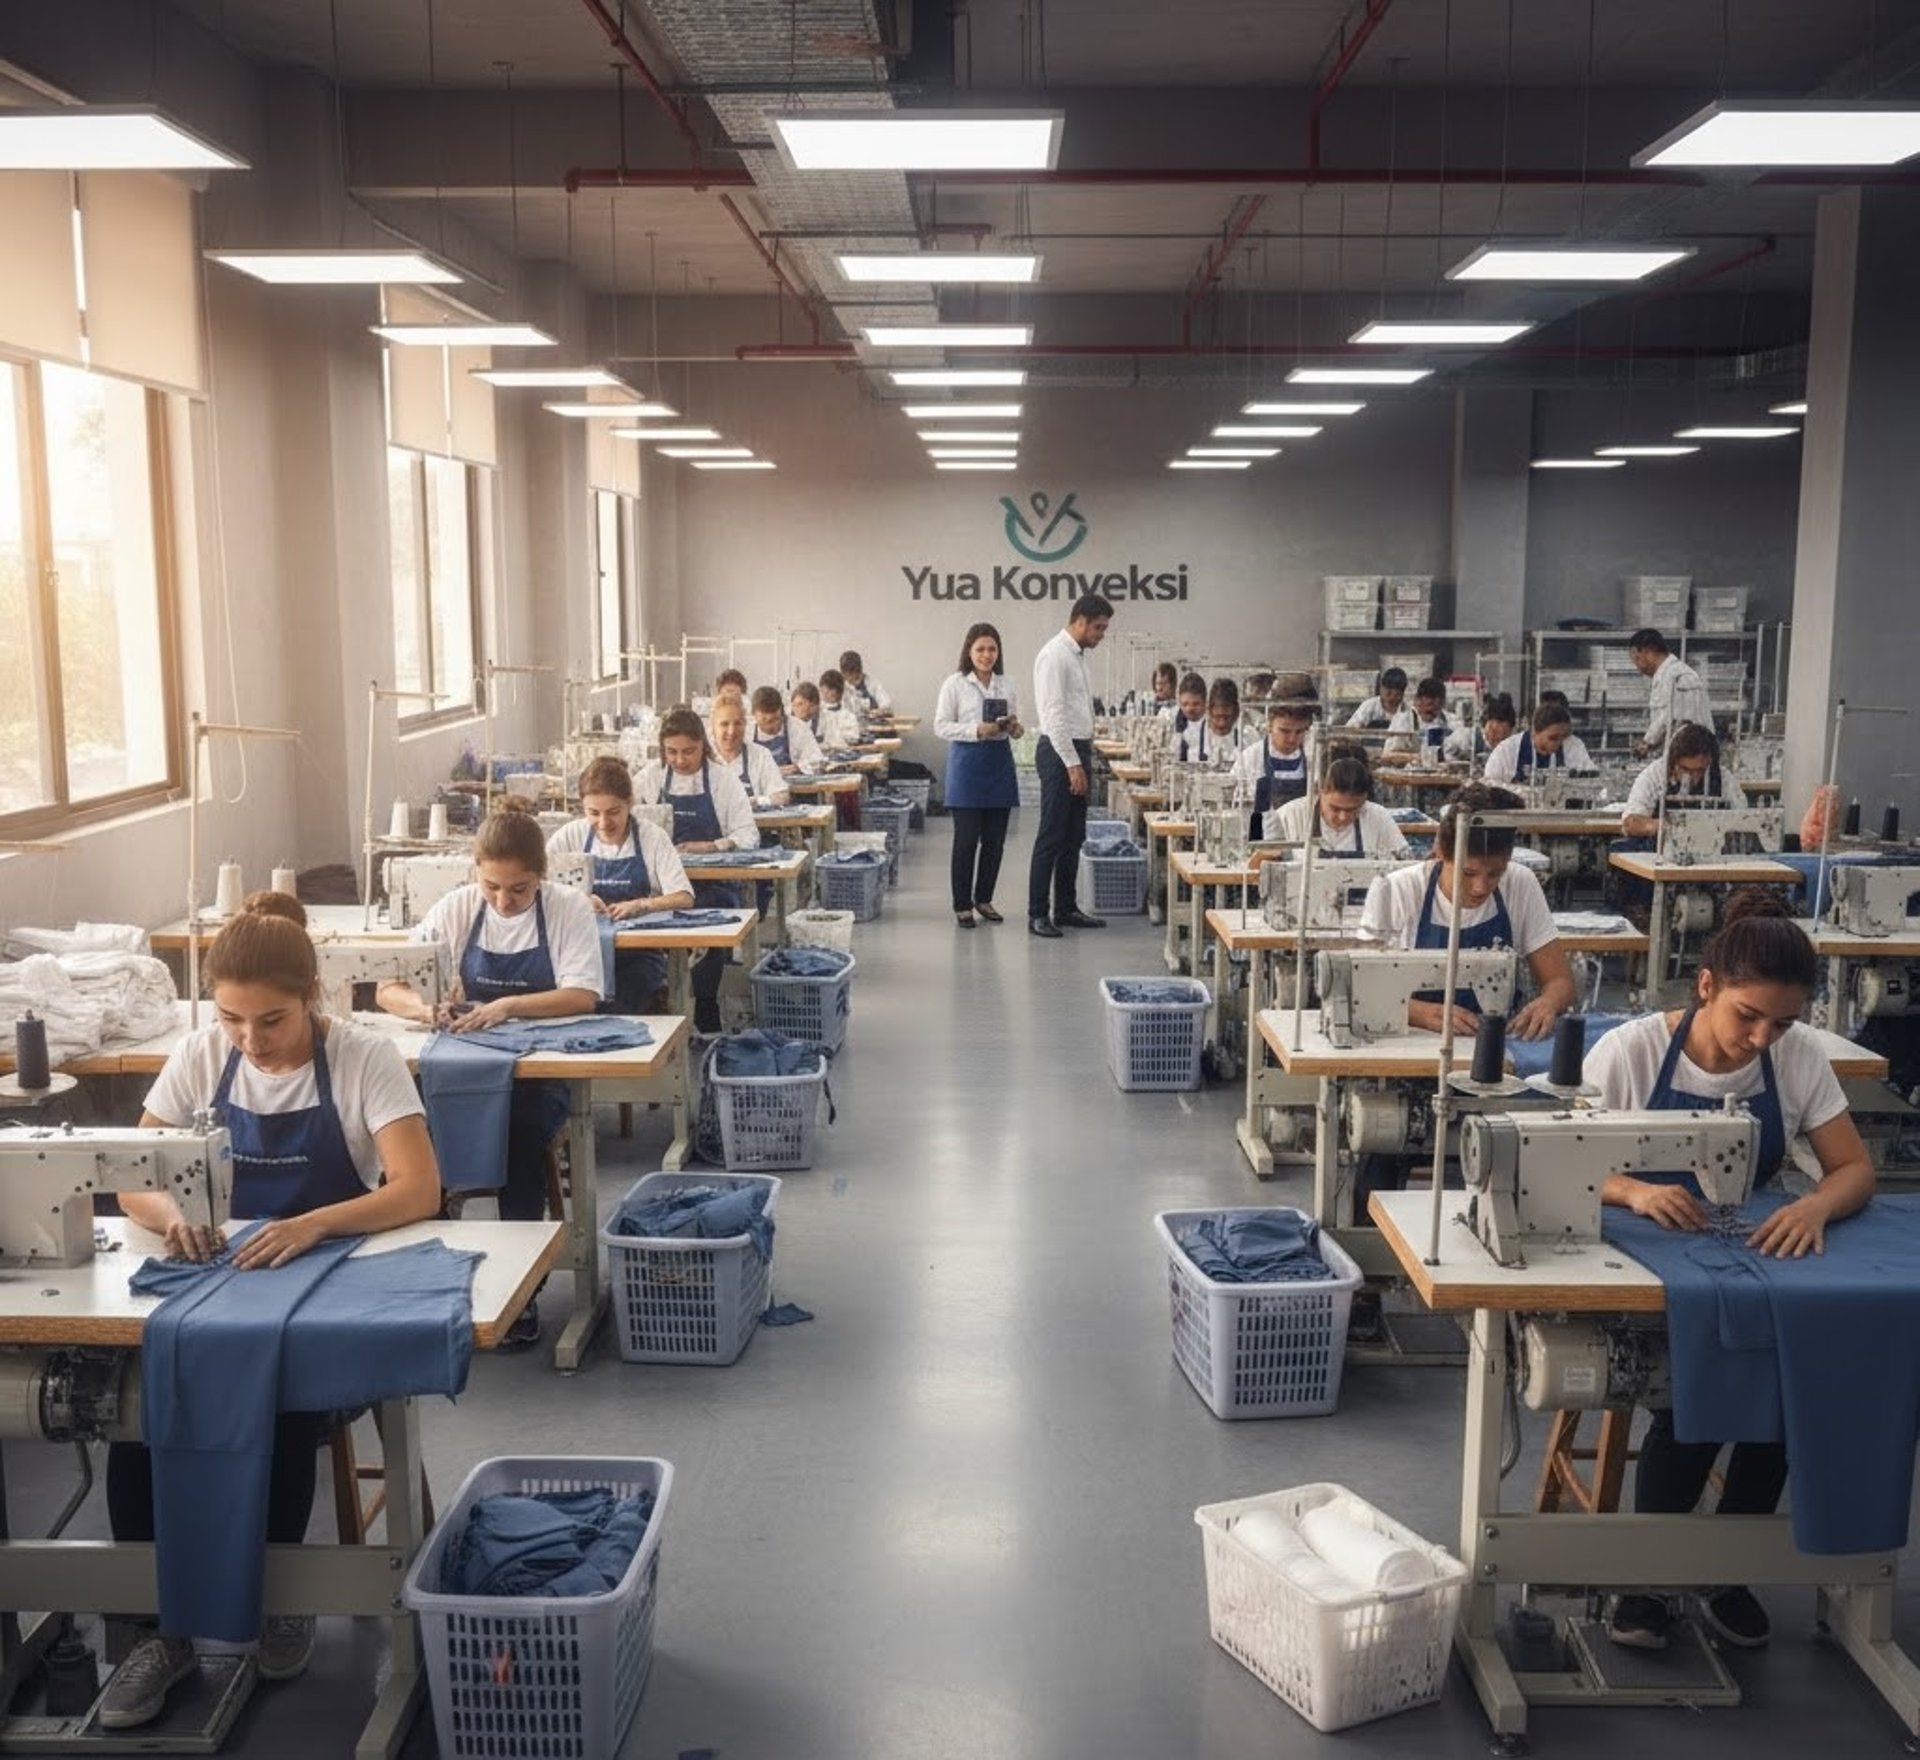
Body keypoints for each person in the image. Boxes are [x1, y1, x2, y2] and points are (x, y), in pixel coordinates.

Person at [100, 899, 443, 1730]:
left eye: (273, 1020)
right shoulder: (201, 1053)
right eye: (231, 1019)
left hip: (325, 1278)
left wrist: (313, 1221)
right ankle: (156, 1628)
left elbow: (417, 1187)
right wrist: (167, 1216)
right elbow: (131, 1173)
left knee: (278, 1396)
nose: (250, 1040)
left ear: (314, 996)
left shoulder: (364, 1059)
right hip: (213, 1273)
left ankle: (284, 1597)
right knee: (139, 1402)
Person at [1592, 890, 1874, 1655]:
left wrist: (1815, 1208)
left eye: (1780, 1023)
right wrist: (1636, 1189)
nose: (1761, 1038)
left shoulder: (1798, 1056)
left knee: (1798, 1376)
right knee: (1695, 1385)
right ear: (1706, 985)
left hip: (1751, 1244)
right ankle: (1648, 1577)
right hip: (1638, 1254)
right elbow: (1555, 1160)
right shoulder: (1631, 1052)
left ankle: (1726, 1568)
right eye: (1748, 1015)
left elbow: (1853, 1170)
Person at [380, 805, 601, 1343]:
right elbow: (388, 985)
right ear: (475, 873)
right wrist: (424, 1010)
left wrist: (508, 1007)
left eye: (519, 889)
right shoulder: (455, 908)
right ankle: (436, 1275)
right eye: (492, 886)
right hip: (458, 1070)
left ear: (540, 876)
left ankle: (520, 1292)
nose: (503, 900)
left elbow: (583, 994)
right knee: (410, 1140)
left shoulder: (568, 909)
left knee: (520, 1138)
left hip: (537, 1073)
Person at [1359, 783, 1575, 1041]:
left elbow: (1560, 981)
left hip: (1497, 1042)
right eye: (1467, 873)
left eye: (1496, 873)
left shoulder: (1521, 883)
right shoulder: (1396, 890)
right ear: (1439, 854)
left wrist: (1547, 1003)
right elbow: (1361, 987)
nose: (1480, 887)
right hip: (1413, 1042)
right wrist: (1418, 1012)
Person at [634, 708, 759, 1032]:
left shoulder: (721, 780)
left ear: (703, 745)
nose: (679, 759)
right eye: (671, 752)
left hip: (712, 885)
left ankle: (705, 1007)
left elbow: (748, 835)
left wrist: (715, 845)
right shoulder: (650, 778)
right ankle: (655, 1011)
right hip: (663, 888)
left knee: (710, 927)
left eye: (688, 751)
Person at [545, 756, 693, 1013]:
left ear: (629, 803)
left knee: (624, 1005)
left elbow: (684, 897)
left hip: (639, 955)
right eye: (593, 813)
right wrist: (577, 900)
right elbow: (537, 887)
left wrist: (643, 905)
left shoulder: (651, 838)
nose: (604, 823)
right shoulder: (570, 836)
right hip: (579, 953)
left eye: (614, 812)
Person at [1028, 593, 1114, 938]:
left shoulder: (1077, 656)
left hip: (1077, 748)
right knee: (1051, 835)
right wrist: (1072, 764)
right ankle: (1037, 913)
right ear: (1079, 620)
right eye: (1098, 628)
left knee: (1073, 835)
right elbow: (1054, 715)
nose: (1101, 634)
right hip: (1059, 751)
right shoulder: (1054, 656)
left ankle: (1065, 908)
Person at [935, 621, 1023, 929]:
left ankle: (984, 898)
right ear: (969, 651)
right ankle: (962, 904)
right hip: (966, 765)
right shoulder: (955, 683)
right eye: (980, 649)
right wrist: (975, 730)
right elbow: (941, 725)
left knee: (995, 841)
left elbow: (1014, 722)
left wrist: (1014, 728)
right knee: (966, 840)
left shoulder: (1007, 683)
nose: (987, 655)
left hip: (999, 764)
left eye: (992, 649)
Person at [1269, 752, 1412, 856]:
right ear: (1319, 792)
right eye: (1335, 808)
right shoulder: (1289, 816)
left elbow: (1403, 866)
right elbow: (1257, 868)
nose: (1343, 817)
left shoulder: (1378, 817)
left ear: (1365, 798)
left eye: (1352, 810)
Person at [1231, 677, 1317, 838]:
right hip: (1258, 842)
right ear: (1269, 723)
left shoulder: (1314, 759)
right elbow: (1234, 812)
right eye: (1284, 731)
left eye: (1299, 732)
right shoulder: (1250, 759)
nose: (1292, 739)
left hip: (1301, 845)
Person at [1622, 723, 1725, 839]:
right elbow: (1630, 824)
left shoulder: (1724, 778)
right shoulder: (1653, 776)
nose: (1693, 776)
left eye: (1700, 770)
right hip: (1659, 850)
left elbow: (1745, 820)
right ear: (1672, 761)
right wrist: (1670, 827)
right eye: (1685, 769)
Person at [1629, 628, 1713, 757]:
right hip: (1682, 755)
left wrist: (1647, 742)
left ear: (1648, 651)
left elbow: (1673, 719)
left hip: (1694, 756)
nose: (1637, 667)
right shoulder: (1666, 676)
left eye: (1637, 658)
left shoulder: (1678, 676)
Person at [1483, 702, 1596, 783]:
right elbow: (1490, 786)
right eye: (1553, 738)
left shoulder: (1573, 746)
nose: (1558, 744)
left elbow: (1593, 780)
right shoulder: (1506, 751)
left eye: (1563, 737)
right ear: (1534, 732)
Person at [710, 696, 790, 807]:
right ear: (713, 727)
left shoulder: (761, 755)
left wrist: (757, 801)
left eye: (737, 723)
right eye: (724, 724)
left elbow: (782, 796)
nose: (731, 731)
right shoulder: (701, 757)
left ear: (745, 725)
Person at [1177, 677, 1253, 765]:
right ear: (1208, 710)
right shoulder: (1189, 737)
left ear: (1236, 713)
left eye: (1226, 717)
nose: (1222, 724)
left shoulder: (1249, 737)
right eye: (1217, 717)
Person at [750, 685, 823, 775]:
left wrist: (797, 768)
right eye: (765, 721)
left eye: (775, 719)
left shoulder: (799, 728)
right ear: (753, 714)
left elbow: (817, 760)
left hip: (794, 786)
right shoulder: (745, 733)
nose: (771, 726)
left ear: (782, 712)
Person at [1380, 676, 1451, 762]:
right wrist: (1417, 757)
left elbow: (1434, 752)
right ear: (1418, 700)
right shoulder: (1404, 721)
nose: (1432, 714)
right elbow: (1387, 755)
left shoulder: (1442, 721)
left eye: (1436, 710)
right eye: (1428, 709)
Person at [1443, 693, 1517, 768]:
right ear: (1488, 724)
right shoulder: (1468, 737)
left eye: (1504, 736)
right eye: (1495, 732)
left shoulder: (1509, 748)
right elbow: (1447, 746)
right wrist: (1458, 765)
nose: (1499, 738)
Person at [815, 670, 865, 748]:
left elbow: (853, 741)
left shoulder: (848, 716)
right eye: (825, 690)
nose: (828, 693)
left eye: (831, 690)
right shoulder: (817, 714)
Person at [838, 650, 891, 716]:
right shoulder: (839, 687)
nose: (853, 681)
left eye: (856, 677)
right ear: (843, 673)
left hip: (873, 723)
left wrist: (879, 711)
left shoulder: (873, 683)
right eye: (849, 677)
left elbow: (886, 704)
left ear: (860, 671)